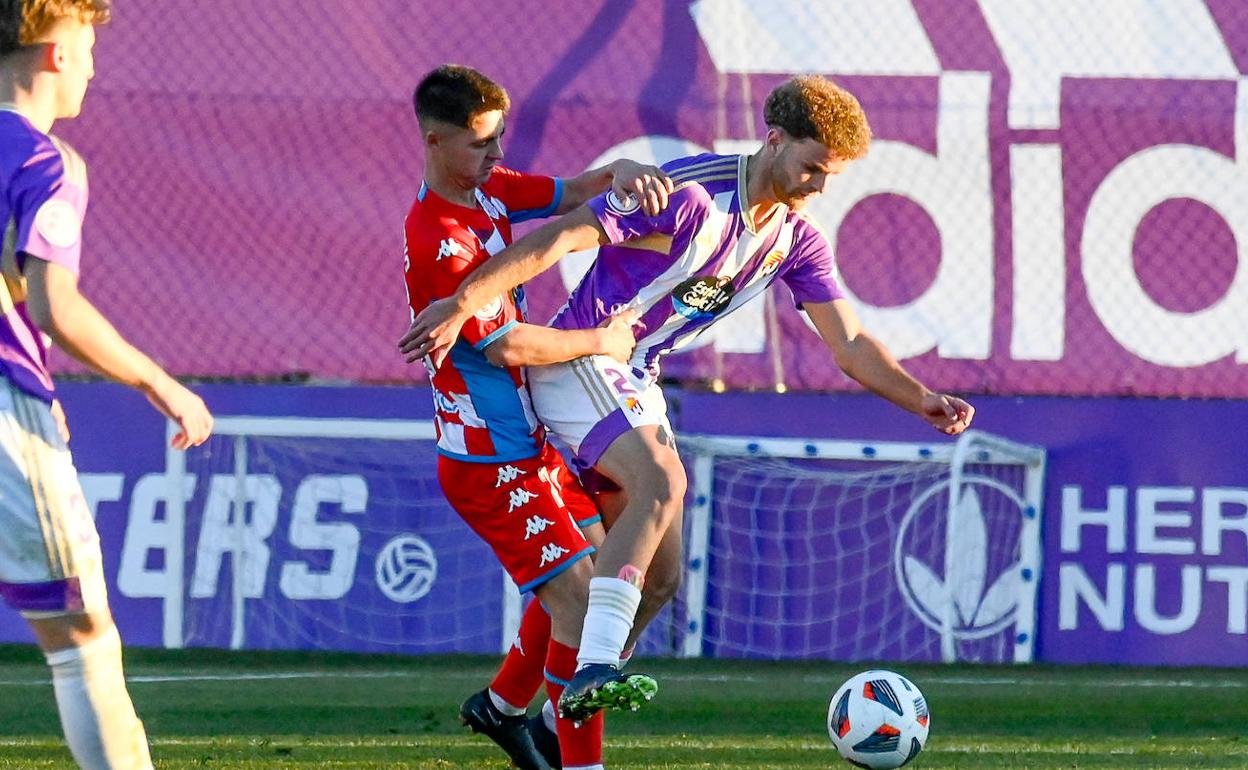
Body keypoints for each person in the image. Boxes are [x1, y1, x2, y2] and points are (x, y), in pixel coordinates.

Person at [399, 75, 976, 722]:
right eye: (813, 168)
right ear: (775, 139)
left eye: (831, 177)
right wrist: (463, 301)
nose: (819, 187)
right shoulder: (691, 195)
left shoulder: (796, 239)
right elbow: (559, 238)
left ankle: (513, 704)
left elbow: (849, 341)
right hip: (581, 358)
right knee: (661, 481)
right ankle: (592, 670)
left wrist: (919, 397)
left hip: (635, 378)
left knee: (664, 574)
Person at [403, 64, 672, 770]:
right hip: (488, 461)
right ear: (435, 141)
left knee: (589, 570)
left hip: (530, 442)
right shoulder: (438, 238)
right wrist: (602, 342)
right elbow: (510, 345)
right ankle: (579, 761)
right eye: (480, 145)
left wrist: (627, 169)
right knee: (581, 606)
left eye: (497, 143)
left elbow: (577, 191)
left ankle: (501, 707)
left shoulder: (488, 192)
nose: (495, 159)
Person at [0, 2, 214, 769]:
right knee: (80, 632)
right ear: (54, 52)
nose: (94, 63)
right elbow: (57, 308)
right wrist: (162, 383)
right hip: (6, 412)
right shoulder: (44, 159)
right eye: (88, 45)